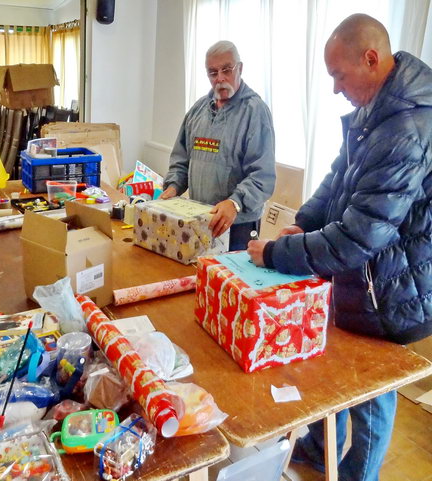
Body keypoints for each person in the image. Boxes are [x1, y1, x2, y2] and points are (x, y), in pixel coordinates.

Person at [247, 14, 432, 481]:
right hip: (368, 278)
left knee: (369, 391)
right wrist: (303, 222)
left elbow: (357, 238)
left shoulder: (406, 129)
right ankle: (316, 447)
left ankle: (356, 475)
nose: (334, 89)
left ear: (371, 60)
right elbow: (337, 178)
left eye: (338, 75)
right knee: (331, 368)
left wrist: (273, 254)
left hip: (394, 290)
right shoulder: (379, 108)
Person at [161, 40, 276, 250]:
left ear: (240, 68)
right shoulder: (198, 111)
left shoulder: (254, 112)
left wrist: (235, 203)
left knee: (230, 280)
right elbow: (181, 160)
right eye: (213, 73)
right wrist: (173, 186)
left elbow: (263, 176)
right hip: (199, 219)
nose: (220, 78)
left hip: (237, 225)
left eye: (226, 70)